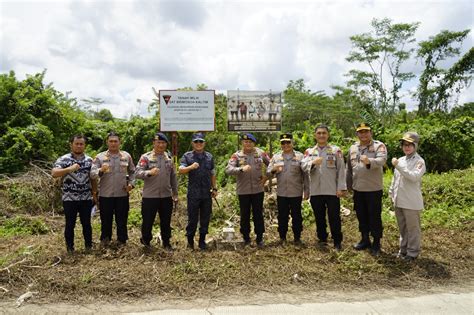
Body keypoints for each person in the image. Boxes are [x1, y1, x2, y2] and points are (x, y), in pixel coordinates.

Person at [303, 125, 346, 250]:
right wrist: (312, 163)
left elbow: (341, 170)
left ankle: (337, 241)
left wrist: (341, 188)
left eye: (324, 133)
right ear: (315, 135)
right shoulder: (309, 152)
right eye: (319, 133)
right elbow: (303, 166)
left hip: (332, 190)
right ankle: (322, 238)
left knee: (334, 216)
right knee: (319, 216)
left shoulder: (335, 150)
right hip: (316, 190)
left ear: (328, 135)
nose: (321, 135)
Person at [346, 123, 387, 256]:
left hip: (373, 189)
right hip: (358, 189)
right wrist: (348, 185)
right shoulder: (353, 148)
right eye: (360, 132)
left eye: (366, 132)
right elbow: (349, 169)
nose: (363, 134)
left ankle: (376, 243)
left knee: (374, 216)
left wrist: (369, 161)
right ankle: (365, 239)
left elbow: (382, 160)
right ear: (357, 134)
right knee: (361, 215)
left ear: (371, 132)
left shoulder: (378, 146)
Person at [52, 134, 95, 253]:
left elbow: (93, 178)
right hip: (69, 198)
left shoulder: (89, 160)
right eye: (77, 143)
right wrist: (69, 169)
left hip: (86, 197)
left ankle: (88, 247)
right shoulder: (64, 159)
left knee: (86, 223)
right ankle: (70, 249)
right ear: (71, 144)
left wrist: (95, 193)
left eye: (81, 144)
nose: (79, 146)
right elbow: (54, 173)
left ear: (85, 145)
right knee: (70, 224)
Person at [225, 133, 270, 247]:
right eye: (245, 142)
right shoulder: (236, 155)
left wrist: (266, 177)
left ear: (254, 143)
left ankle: (259, 238)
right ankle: (246, 238)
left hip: (258, 190)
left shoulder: (261, 153)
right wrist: (241, 169)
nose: (247, 144)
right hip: (243, 190)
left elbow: (272, 164)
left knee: (258, 214)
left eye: (250, 142)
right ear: (242, 143)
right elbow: (228, 170)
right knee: (244, 215)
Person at [91, 132, 135, 247]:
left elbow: (132, 172)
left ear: (120, 142)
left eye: (116, 141)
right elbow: (92, 174)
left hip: (122, 194)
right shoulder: (100, 157)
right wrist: (100, 170)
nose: (113, 143)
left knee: (122, 219)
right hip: (106, 194)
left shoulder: (126, 156)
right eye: (111, 141)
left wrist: (131, 184)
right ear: (107, 142)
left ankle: (122, 241)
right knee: (106, 219)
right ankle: (105, 240)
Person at [135, 132, 178, 249]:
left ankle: (166, 242)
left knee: (166, 221)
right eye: (158, 142)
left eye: (163, 143)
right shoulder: (146, 157)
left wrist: (175, 193)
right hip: (150, 196)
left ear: (166, 144)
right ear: (154, 143)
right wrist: (149, 172)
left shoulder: (169, 157)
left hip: (166, 195)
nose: (161, 145)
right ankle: (146, 242)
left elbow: (173, 177)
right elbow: (137, 173)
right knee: (148, 220)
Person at [389, 132, 426, 261]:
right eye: (405, 145)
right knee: (403, 228)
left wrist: (397, 166)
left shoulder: (419, 161)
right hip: (399, 200)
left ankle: (412, 253)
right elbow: (395, 180)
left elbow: (414, 177)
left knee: (413, 228)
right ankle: (403, 250)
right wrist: (391, 193)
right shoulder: (400, 160)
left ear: (415, 146)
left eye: (410, 145)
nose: (407, 147)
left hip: (411, 202)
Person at [268, 133, 309, 245]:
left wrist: (307, 190)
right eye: (283, 143)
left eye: (288, 142)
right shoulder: (276, 157)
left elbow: (305, 175)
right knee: (282, 216)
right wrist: (273, 170)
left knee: (297, 216)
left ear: (292, 143)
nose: (285, 144)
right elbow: (268, 173)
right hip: (282, 192)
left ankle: (297, 238)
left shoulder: (300, 156)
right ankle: (282, 238)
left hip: (296, 192)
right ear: (280, 144)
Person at [179, 133, 217, 250]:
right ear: (193, 143)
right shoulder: (187, 156)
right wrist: (190, 167)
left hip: (206, 193)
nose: (199, 144)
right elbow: (180, 170)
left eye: (201, 142)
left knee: (205, 218)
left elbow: (212, 173)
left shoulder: (209, 157)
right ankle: (190, 242)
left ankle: (202, 241)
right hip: (193, 194)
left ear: (204, 143)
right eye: (196, 142)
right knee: (192, 219)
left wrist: (214, 188)